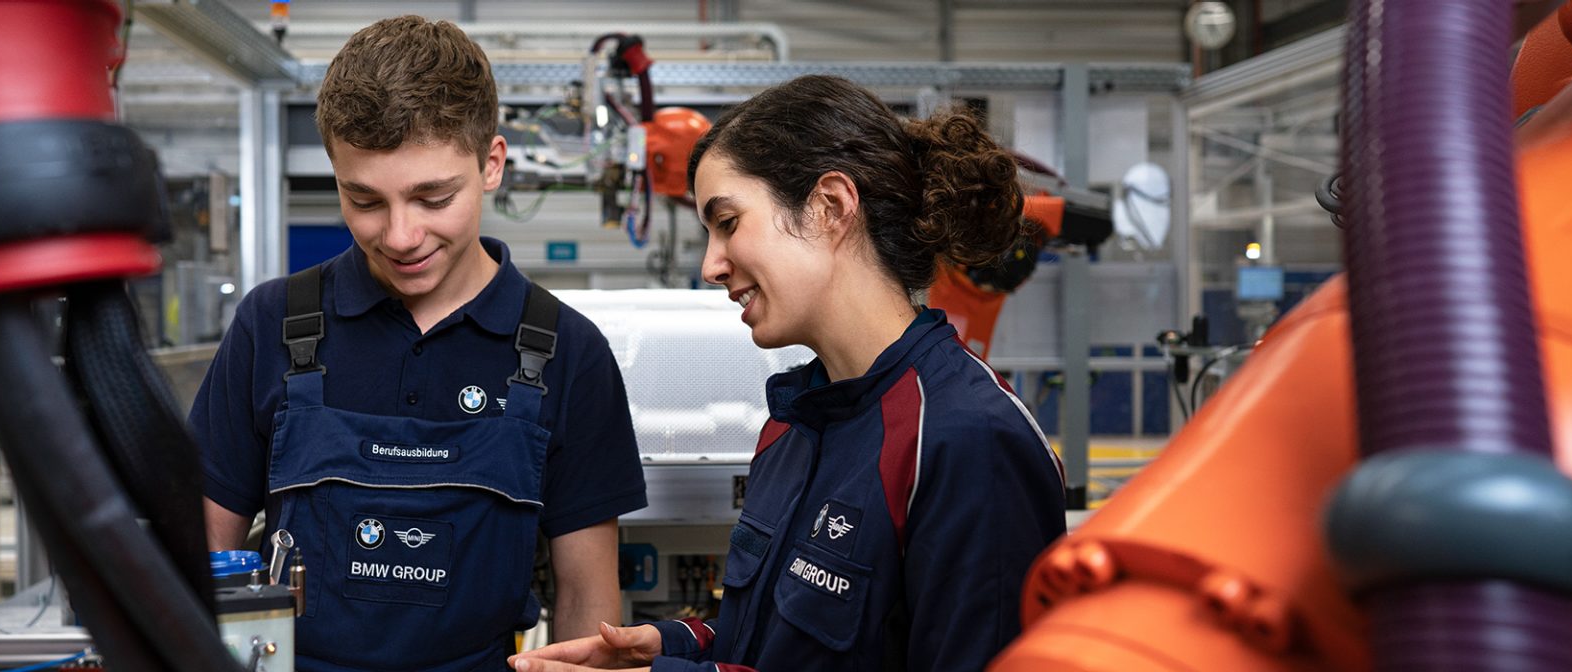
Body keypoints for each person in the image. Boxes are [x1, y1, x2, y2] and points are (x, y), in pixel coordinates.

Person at [509, 75, 1067, 672]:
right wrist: (683, 645)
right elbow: (784, 642)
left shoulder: (969, 440)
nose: (710, 266)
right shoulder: (793, 425)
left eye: (728, 222)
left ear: (830, 207)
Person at [191, 16, 648, 671]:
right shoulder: (273, 325)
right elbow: (205, 572)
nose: (401, 235)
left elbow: (585, 605)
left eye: (433, 197)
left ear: (491, 164)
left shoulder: (567, 352)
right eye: (365, 200)